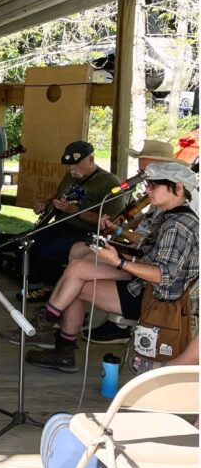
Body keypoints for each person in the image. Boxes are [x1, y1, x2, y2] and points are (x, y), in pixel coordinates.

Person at [0, 161, 198, 373]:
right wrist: (116, 237)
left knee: (76, 279)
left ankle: (54, 337)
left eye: (154, 186)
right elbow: (147, 246)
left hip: (158, 300)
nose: (148, 190)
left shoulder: (177, 225)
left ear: (178, 187)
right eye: (148, 185)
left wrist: (119, 261)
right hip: (145, 284)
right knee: (78, 261)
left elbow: (163, 275)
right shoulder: (171, 215)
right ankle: (55, 338)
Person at [74, 139, 188, 344]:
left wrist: (120, 258)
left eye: (148, 174)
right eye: (141, 172)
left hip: (153, 288)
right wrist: (119, 229)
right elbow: (145, 225)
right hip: (141, 262)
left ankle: (71, 332)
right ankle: (73, 326)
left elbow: (163, 271)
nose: (144, 182)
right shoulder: (164, 202)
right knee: (78, 255)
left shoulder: (178, 219)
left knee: (78, 272)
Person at [22, 141, 129, 302]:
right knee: (27, 242)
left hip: (86, 232)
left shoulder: (109, 182)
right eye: (69, 165)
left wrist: (76, 212)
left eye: (77, 165)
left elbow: (114, 220)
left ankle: (51, 289)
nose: (72, 169)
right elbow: (59, 195)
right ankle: (35, 284)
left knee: (49, 251)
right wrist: (45, 203)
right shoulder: (70, 176)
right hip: (61, 224)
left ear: (91, 160)